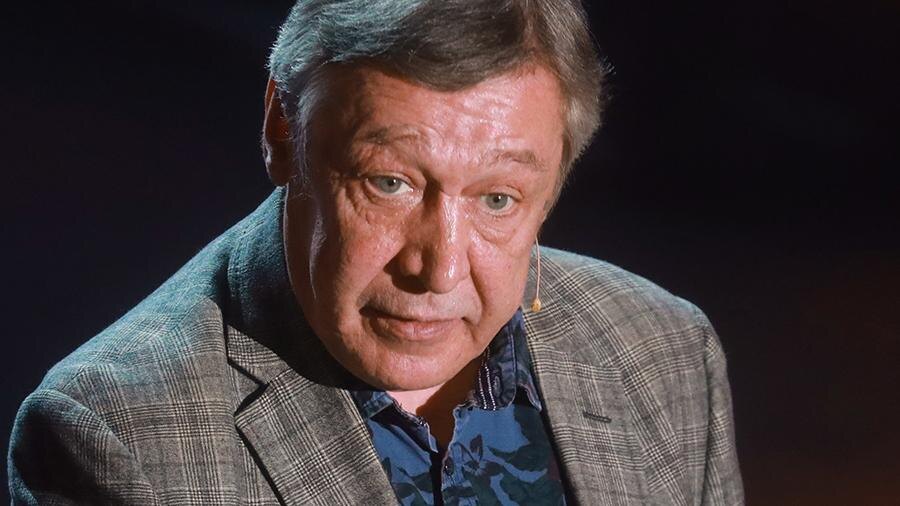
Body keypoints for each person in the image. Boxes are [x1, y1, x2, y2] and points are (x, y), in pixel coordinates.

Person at [8, 0, 743, 504]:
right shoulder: (118, 437)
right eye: (390, 183)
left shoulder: (666, 349)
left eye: (497, 199)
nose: (438, 269)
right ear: (284, 130)